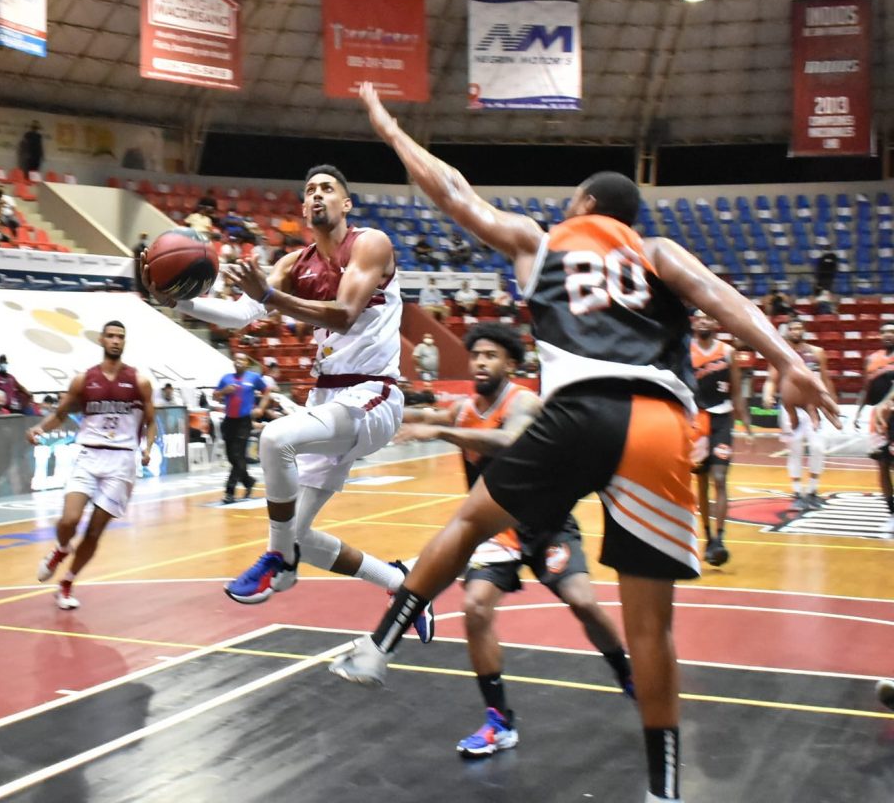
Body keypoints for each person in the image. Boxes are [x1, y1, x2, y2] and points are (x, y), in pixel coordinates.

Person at [327, 83, 837, 803]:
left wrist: (390, 130)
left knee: (472, 519)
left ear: (587, 207)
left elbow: (453, 192)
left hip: (578, 412)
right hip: (661, 428)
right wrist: (790, 362)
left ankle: (379, 646)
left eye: (573, 200)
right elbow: (726, 300)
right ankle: (663, 789)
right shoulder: (658, 249)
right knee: (651, 629)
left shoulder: (544, 240)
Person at [142, 165, 434, 639]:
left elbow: (342, 315)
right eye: (310, 191)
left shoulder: (370, 243)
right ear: (303, 208)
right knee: (304, 536)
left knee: (276, 438)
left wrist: (273, 296)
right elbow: (240, 316)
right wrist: (175, 301)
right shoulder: (293, 263)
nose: (317, 195)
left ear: (346, 204)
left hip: (375, 394)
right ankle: (399, 583)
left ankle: (278, 560)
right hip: (331, 398)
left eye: (327, 189)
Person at [396, 323, 634, 755]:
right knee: (475, 607)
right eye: (476, 356)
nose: (480, 362)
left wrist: (441, 432)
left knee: (582, 602)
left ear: (510, 363)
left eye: (491, 355)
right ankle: (499, 721)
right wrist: (357, 413)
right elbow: (422, 416)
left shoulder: (524, 401)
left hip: (545, 523)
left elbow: (509, 441)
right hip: (496, 530)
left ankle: (625, 670)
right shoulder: (464, 408)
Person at [27, 320, 156, 610]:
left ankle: (67, 582)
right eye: (110, 336)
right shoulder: (84, 379)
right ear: (101, 340)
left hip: (121, 461)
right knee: (69, 520)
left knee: (94, 532)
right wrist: (39, 428)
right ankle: (61, 549)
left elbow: (151, 422)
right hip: (89, 455)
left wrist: (148, 447)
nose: (115, 341)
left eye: (120, 337)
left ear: (125, 342)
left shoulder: (140, 381)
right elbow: (60, 414)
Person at [689, 312, 753, 566]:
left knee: (719, 478)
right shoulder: (685, 351)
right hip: (697, 422)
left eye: (708, 318)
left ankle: (720, 537)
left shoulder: (727, 352)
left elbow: (737, 392)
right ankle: (707, 537)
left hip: (722, 420)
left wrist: (746, 423)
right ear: (694, 323)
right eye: (699, 318)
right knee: (702, 482)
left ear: (716, 324)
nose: (704, 321)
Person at [762, 319, 836, 511]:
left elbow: (826, 380)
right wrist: (768, 395)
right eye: (792, 328)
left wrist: (833, 402)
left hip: (815, 406)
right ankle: (797, 493)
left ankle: (812, 491)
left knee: (818, 447)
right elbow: (771, 379)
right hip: (790, 407)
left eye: (799, 328)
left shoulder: (817, 352)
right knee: (795, 450)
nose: (796, 331)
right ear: (787, 333)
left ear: (804, 331)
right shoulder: (780, 354)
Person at [853, 322, 894, 534]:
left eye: (892, 332)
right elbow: (866, 388)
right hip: (877, 421)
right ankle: (892, 514)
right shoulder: (871, 359)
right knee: (882, 465)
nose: (888, 335)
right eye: (885, 331)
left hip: (891, 415)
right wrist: (858, 411)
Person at [215, 352, 271, 504]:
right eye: (236, 359)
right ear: (233, 362)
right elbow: (215, 396)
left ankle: (229, 491)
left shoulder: (253, 377)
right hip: (228, 421)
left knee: (238, 455)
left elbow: (267, 391)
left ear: (247, 363)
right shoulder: (226, 378)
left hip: (244, 422)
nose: (239, 362)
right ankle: (248, 481)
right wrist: (223, 392)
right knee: (232, 457)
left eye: (242, 359)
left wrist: (261, 408)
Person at [132, 233, 149, 300]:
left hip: (143, 267)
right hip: (138, 267)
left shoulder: (146, 247)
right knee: (139, 282)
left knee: (144, 282)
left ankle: (145, 296)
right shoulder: (138, 247)